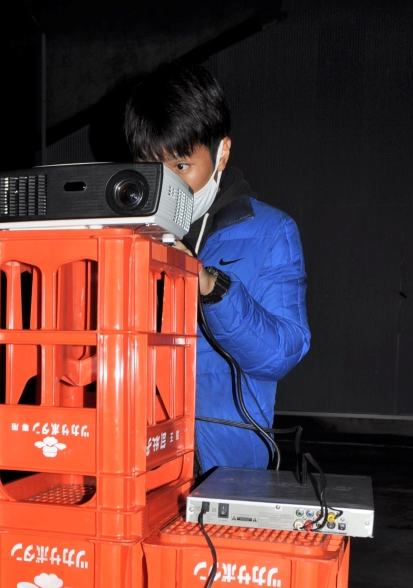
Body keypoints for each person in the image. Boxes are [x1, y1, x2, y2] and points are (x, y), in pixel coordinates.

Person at [124, 61, 310, 474]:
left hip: (223, 467)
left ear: (222, 152)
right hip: (137, 456)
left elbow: (281, 354)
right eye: (151, 168)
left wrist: (213, 288)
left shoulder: (272, 232)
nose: (166, 185)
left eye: (181, 167)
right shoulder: (126, 234)